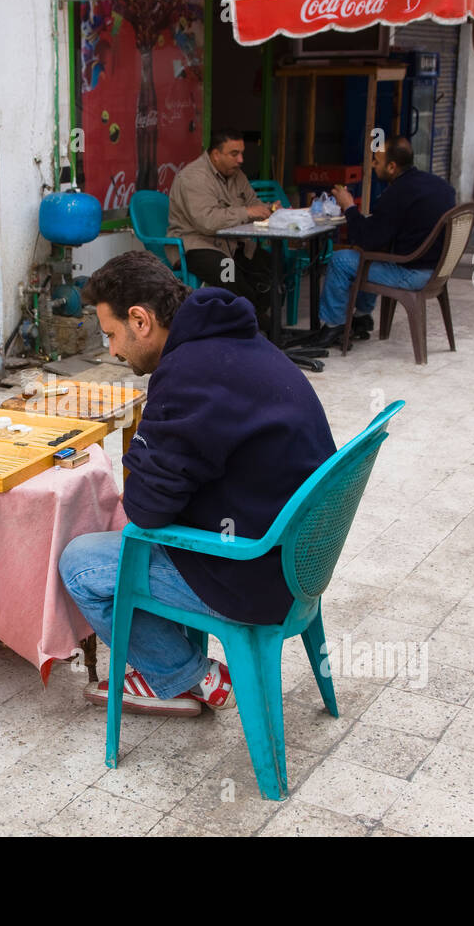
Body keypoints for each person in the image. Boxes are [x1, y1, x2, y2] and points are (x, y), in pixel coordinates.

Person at [58, 250, 336, 716]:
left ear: (140, 320)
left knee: (80, 565)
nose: (111, 351)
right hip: (301, 557)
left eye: (111, 335)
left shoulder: (189, 375)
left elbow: (146, 510)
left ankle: (188, 677)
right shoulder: (236, 339)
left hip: (255, 572)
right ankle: (178, 668)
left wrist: (143, 448)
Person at [308, 135, 456, 349]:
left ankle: (333, 326)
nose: (374, 165)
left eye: (377, 161)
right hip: (439, 271)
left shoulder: (397, 192)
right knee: (368, 255)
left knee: (341, 260)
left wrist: (349, 207)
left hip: (413, 274)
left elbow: (368, 240)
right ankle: (362, 317)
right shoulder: (439, 185)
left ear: (392, 166)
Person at [167, 129, 275, 319]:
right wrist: (247, 212)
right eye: (234, 154)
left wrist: (267, 209)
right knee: (230, 276)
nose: (241, 159)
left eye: (242, 153)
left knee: (270, 267)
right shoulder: (194, 177)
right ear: (216, 155)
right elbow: (207, 222)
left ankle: (256, 321)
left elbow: (253, 202)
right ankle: (258, 325)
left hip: (232, 244)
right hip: (198, 245)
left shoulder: (236, 174)